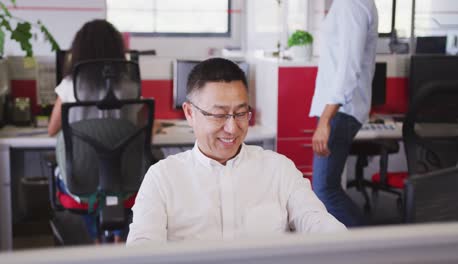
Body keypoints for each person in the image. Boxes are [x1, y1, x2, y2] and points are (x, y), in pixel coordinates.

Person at [126, 58, 346, 245]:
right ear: (190, 113)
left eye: (241, 113)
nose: (232, 128)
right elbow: (142, 249)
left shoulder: (278, 169)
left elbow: (316, 221)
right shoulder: (162, 178)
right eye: (219, 115)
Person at [48, 19, 126, 243]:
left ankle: (94, 242)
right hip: (122, 179)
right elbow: (140, 130)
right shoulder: (128, 84)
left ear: (79, 51)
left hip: (80, 179)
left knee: (87, 179)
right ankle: (119, 240)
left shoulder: (70, 85)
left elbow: (52, 129)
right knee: (111, 186)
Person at [309, 0, 378, 227]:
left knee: (325, 190)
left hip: (340, 111)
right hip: (339, 109)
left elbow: (349, 67)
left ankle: (371, 249)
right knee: (326, 188)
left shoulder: (352, 4)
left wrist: (326, 119)